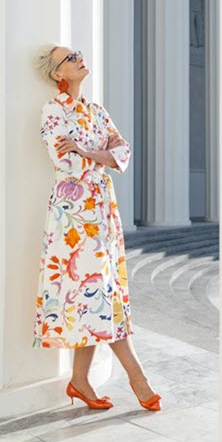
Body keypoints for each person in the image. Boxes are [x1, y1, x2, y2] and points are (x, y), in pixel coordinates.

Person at [32, 43, 161, 411]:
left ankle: (79, 381)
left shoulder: (97, 112)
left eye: (76, 54)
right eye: (69, 58)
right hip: (73, 215)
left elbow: (122, 153)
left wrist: (88, 152)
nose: (78, 58)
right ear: (58, 74)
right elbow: (65, 162)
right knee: (100, 293)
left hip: (102, 210)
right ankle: (139, 378)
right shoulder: (53, 111)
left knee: (98, 290)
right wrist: (98, 155)